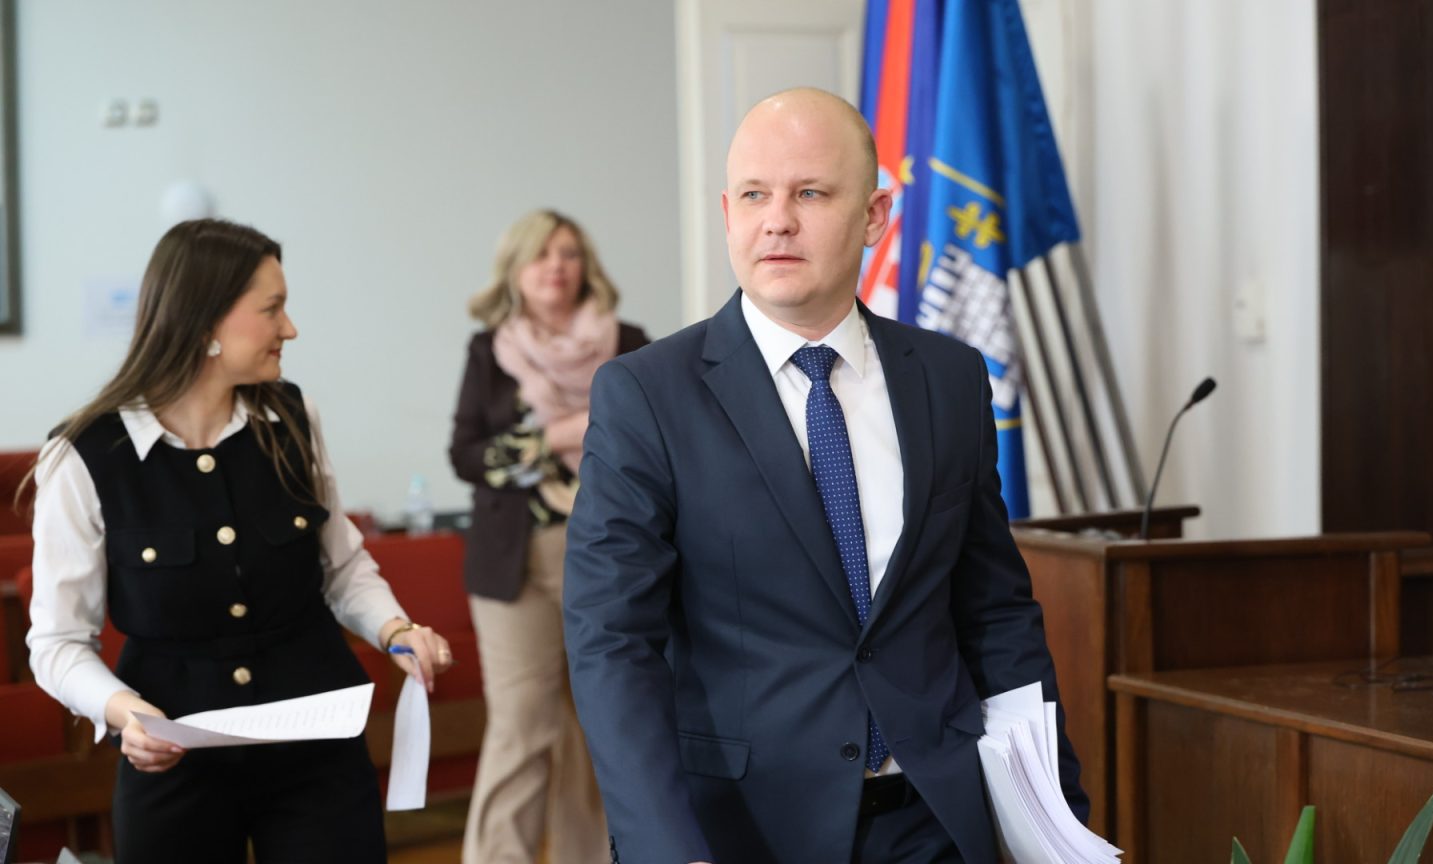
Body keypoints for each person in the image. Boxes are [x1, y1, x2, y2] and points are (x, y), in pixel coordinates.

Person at [563, 88, 1089, 864]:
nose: (777, 220)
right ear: (728, 213)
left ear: (874, 215)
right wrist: (664, 851)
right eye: (754, 195)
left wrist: (1056, 820)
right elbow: (612, 642)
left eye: (809, 193)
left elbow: (995, 614)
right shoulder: (647, 394)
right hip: (742, 832)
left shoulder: (948, 377)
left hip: (936, 820)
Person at [24, 219, 453, 864]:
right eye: (272, 309)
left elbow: (341, 568)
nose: (290, 328)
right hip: (173, 762)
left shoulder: (293, 418)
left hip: (316, 750)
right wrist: (122, 712)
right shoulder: (82, 456)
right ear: (206, 323)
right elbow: (57, 643)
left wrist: (396, 629)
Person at [450, 210, 649, 864]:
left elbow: (653, 446)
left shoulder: (629, 342)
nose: (556, 266)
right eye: (541, 254)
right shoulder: (490, 350)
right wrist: (559, 435)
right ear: (516, 268)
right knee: (522, 726)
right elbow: (467, 456)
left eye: (568, 253)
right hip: (516, 565)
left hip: (613, 558)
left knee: (601, 728)